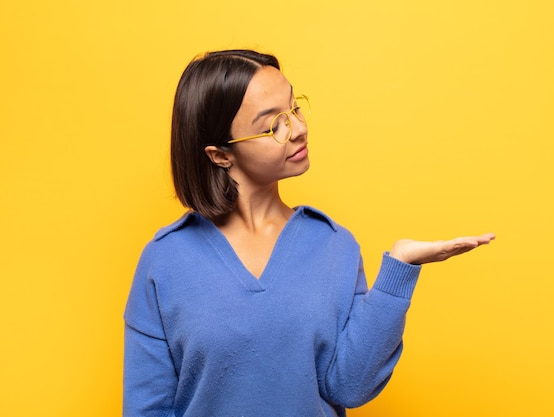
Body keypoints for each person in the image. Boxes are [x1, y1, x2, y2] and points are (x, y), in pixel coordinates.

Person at [123, 49, 495, 417]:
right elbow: (147, 408)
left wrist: (399, 268)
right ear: (220, 155)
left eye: (294, 109)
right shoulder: (165, 260)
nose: (299, 129)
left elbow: (350, 386)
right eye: (273, 125)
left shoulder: (334, 244)